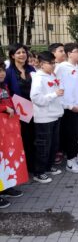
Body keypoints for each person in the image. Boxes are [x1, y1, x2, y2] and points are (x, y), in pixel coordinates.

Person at [30, 51, 64, 183]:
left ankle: (48, 167)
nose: (54, 65)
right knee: (43, 145)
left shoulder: (50, 75)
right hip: (44, 117)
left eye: (54, 62)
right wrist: (54, 95)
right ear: (42, 64)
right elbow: (36, 98)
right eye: (51, 63)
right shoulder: (38, 78)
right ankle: (39, 172)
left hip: (55, 115)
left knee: (53, 145)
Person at [55, 43, 78, 173]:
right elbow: (58, 88)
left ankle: (75, 156)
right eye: (76, 51)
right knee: (70, 134)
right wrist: (69, 106)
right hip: (68, 108)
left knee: (77, 134)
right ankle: (70, 161)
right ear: (69, 54)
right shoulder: (61, 68)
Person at [5, 44, 36, 172]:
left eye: (24, 52)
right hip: (18, 110)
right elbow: (5, 91)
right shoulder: (8, 72)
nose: (22, 55)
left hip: (33, 108)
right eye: (18, 53)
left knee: (33, 137)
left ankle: (32, 164)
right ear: (12, 55)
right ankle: (23, 167)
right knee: (23, 138)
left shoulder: (32, 69)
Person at [0, 59, 23, 208]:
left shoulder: (4, 86)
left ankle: (5, 187)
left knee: (6, 158)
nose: (1, 73)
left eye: (2, 70)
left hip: (6, 127)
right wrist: (3, 108)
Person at [48, 42, 66, 165]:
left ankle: (60, 151)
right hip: (54, 104)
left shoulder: (63, 66)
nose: (64, 53)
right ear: (53, 53)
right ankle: (56, 153)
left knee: (62, 130)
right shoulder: (54, 68)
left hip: (63, 104)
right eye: (60, 51)